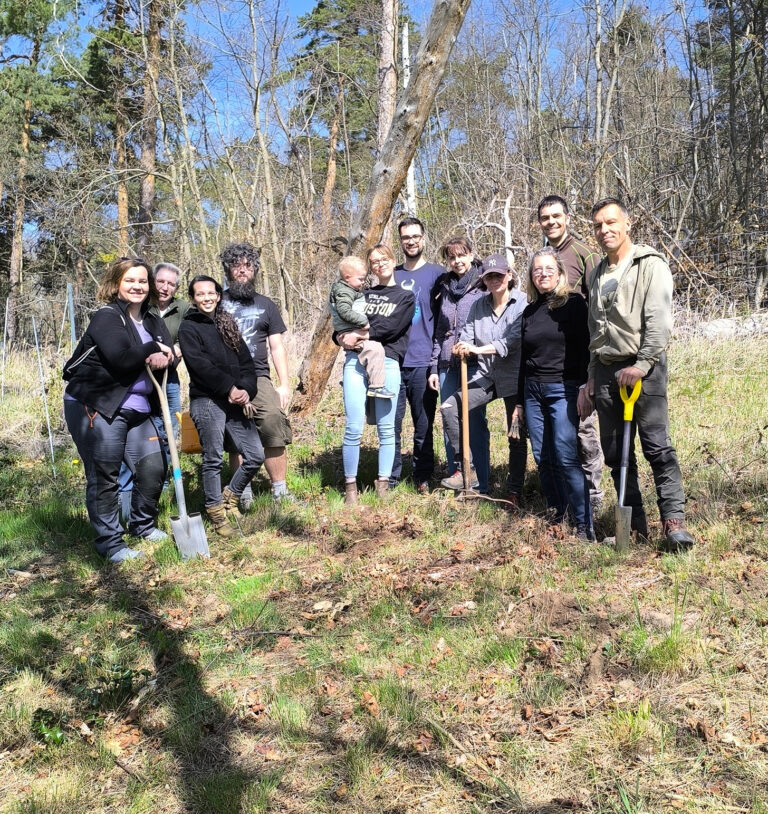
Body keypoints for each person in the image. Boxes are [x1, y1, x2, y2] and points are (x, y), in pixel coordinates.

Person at [577, 197, 695, 551]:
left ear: (627, 225)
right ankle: (635, 526)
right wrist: (592, 378)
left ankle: (674, 523)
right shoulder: (597, 272)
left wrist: (641, 366)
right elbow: (596, 334)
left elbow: (658, 322)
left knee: (657, 447)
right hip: (608, 372)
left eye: (611, 223)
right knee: (616, 454)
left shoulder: (649, 264)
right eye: (598, 225)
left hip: (646, 369)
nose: (604, 230)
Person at [63, 257, 174, 563]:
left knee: (153, 468)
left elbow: (167, 355)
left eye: (142, 281)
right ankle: (110, 542)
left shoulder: (153, 320)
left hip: (139, 407)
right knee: (104, 475)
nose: (138, 286)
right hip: (97, 404)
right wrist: (153, 350)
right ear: (116, 284)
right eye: (130, 281)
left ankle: (142, 525)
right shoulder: (107, 317)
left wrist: (167, 358)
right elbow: (122, 359)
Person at [512, 247, 593, 539]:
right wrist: (519, 402)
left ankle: (584, 524)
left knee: (565, 455)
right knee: (542, 456)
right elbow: (524, 359)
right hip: (532, 391)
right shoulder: (529, 311)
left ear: (559, 273)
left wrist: (585, 386)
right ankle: (557, 514)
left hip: (563, 389)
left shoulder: (574, 304)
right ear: (531, 277)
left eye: (548, 269)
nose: (543, 274)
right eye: (537, 270)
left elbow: (586, 349)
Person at [178, 275, 264, 538]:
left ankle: (231, 495)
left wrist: (246, 391)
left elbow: (247, 364)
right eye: (200, 294)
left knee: (255, 454)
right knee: (213, 459)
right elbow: (200, 367)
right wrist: (229, 387)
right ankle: (216, 514)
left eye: (211, 293)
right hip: (207, 400)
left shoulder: (228, 323)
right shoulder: (189, 328)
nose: (206, 298)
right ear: (193, 299)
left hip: (237, 400)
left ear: (218, 295)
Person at [439, 254, 527, 507]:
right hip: (486, 376)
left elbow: (512, 341)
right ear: (484, 280)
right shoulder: (478, 305)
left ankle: (514, 492)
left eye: (499, 275)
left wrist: (478, 350)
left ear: (509, 276)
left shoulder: (522, 303)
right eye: (489, 277)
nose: (495, 280)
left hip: (514, 378)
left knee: (516, 435)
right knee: (449, 407)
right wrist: (462, 346)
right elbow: (466, 333)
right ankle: (465, 469)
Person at [537, 194, 604, 512]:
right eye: (545, 218)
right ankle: (565, 499)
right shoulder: (544, 256)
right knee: (556, 438)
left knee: (583, 429)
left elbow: (598, 306)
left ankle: (593, 497)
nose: (550, 222)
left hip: (579, 358)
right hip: (549, 363)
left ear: (567, 217)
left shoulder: (584, 253)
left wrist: (592, 364)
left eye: (555, 216)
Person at [219, 242, 297, 507]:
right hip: (225, 379)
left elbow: (276, 347)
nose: (242, 271)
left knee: (273, 421)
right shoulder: (214, 301)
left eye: (248, 266)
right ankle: (243, 493)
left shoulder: (266, 305)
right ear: (227, 270)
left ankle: (280, 490)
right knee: (235, 435)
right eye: (236, 266)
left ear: (255, 270)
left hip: (259, 377)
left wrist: (284, 385)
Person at [336, 245, 415, 504]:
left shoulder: (404, 296)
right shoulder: (362, 293)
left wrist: (358, 334)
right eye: (373, 262)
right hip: (355, 361)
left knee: (386, 428)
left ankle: (383, 487)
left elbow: (391, 328)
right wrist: (339, 336)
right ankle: (351, 489)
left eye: (383, 259)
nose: (379, 264)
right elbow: (341, 319)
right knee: (353, 426)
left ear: (393, 261)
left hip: (389, 362)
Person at [118, 261, 189, 522]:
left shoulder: (183, 309)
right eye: (160, 281)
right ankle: (127, 493)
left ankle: (165, 483)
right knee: (141, 434)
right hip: (138, 382)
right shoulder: (139, 307)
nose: (165, 287)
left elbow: (186, 336)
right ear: (152, 281)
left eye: (171, 284)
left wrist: (173, 351)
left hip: (167, 378)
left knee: (169, 430)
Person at [427, 237, 488, 492]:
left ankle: (481, 479)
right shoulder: (443, 287)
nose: (457, 261)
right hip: (446, 363)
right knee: (449, 417)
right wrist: (433, 366)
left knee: (473, 421)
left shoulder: (483, 283)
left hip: (472, 362)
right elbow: (439, 331)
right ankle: (459, 476)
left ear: (471, 254)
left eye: (461, 255)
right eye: (451, 257)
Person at [391, 217, 445, 492]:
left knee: (423, 424)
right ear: (400, 241)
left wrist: (437, 363)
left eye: (415, 236)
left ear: (423, 238)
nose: (411, 241)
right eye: (405, 237)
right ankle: (389, 478)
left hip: (424, 362)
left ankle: (422, 476)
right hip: (392, 361)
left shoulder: (438, 274)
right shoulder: (392, 274)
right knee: (391, 424)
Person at [328, 256, 395, 399]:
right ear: (347, 277)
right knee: (375, 349)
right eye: (360, 279)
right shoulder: (344, 292)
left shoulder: (347, 289)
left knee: (367, 352)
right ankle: (376, 387)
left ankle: (352, 382)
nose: (363, 282)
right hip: (348, 329)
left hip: (349, 330)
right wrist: (363, 322)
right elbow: (344, 311)